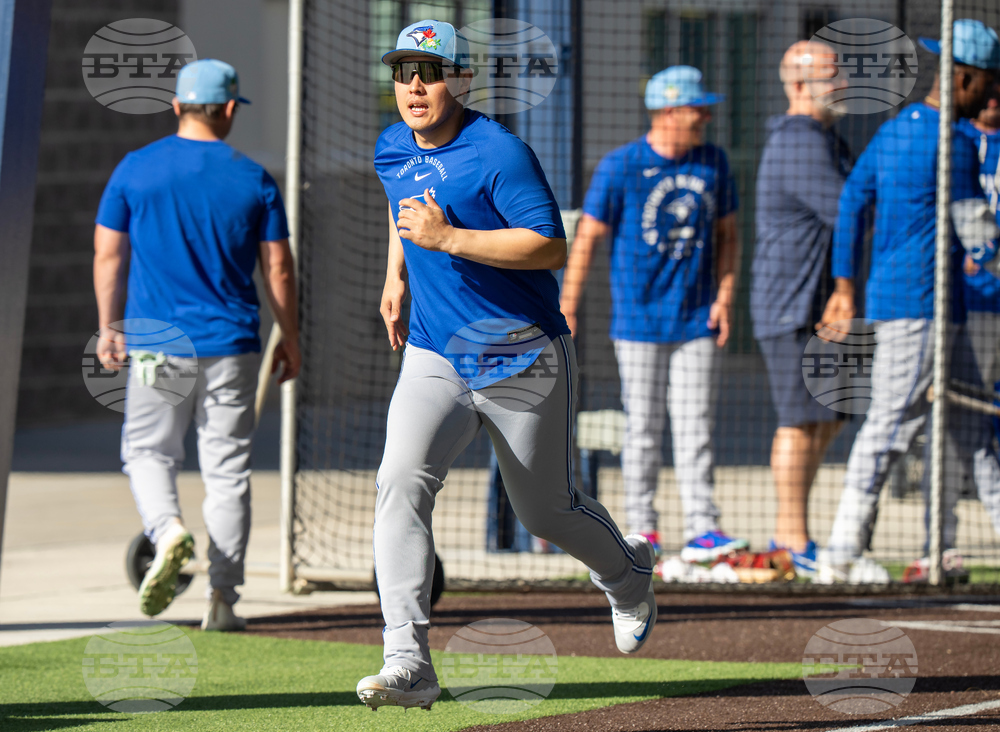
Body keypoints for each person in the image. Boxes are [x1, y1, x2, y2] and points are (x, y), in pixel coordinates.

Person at [357, 20, 656, 712]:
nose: (413, 86)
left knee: (545, 513)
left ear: (460, 79)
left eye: (428, 72)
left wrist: (449, 238)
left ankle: (629, 571)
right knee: (398, 482)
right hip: (433, 354)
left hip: (521, 357)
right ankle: (408, 659)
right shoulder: (391, 144)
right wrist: (397, 274)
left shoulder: (500, 152)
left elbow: (549, 247)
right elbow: (403, 208)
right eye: (403, 71)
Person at [94, 60, 299, 628]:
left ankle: (167, 530)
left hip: (157, 345)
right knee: (227, 471)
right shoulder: (253, 177)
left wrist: (110, 327)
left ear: (177, 106)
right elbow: (278, 269)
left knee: (149, 452)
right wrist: (293, 337)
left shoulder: (134, 170)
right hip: (232, 345)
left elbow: (108, 254)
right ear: (230, 109)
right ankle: (223, 600)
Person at [816, 20, 1000, 583]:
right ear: (962, 78)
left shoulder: (894, 131)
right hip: (922, 311)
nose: (992, 96)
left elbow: (852, 202)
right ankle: (842, 552)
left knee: (975, 435)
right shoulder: (955, 143)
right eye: (986, 84)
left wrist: (846, 286)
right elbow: (980, 237)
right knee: (889, 428)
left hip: (922, 308)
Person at [560, 65, 747, 563]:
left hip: (696, 321)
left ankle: (703, 529)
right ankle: (642, 527)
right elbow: (588, 239)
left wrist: (725, 295)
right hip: (638, 324)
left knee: (695, 427)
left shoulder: (714, 162)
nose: (705, 117)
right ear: (668, 111)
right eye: (696, 109)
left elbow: (730, 236)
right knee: (642, 428)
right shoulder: (621, 166)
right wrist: (568, 305)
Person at [750, 41, 853, 576]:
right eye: (830, 75)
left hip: (823, 311)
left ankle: (795, 533)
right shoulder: (798, 142)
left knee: (826, 420)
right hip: (790, 308)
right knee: (799, 422)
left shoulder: (826, 139)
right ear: (797, 85)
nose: (841, 84)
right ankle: (791, 537)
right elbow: (849, 212)